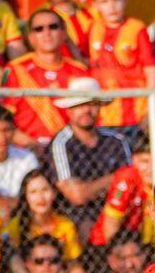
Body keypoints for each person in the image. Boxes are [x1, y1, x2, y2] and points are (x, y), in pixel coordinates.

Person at [48, 78, 132, 231]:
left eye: (92, 104)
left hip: (118, 210)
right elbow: (77, 196)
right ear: (69, 110)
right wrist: (116, 178)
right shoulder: (62, 143)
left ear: (100, 106)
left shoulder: (116, 140)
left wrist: (90, 187)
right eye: (79, 105)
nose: (86, 110)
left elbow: (131, 181)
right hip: (77, 217)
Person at [84, 0, 155, 142]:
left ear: (124, 0)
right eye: (104, 1)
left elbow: (151, 69)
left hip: (135, 115)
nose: (112, 6)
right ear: (96, 5)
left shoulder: (137, 28)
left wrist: (150, 110)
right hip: (103, 115)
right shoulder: (91, 28)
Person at [1, 9, 92, 145]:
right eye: (39, 29)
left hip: (71, 148)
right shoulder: (16, 69)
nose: (47, 33)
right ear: (30, 37)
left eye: (53, 27)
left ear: (63, 33)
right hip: (28, 149)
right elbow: (3, 119)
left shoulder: (79, 71)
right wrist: (31, 145)